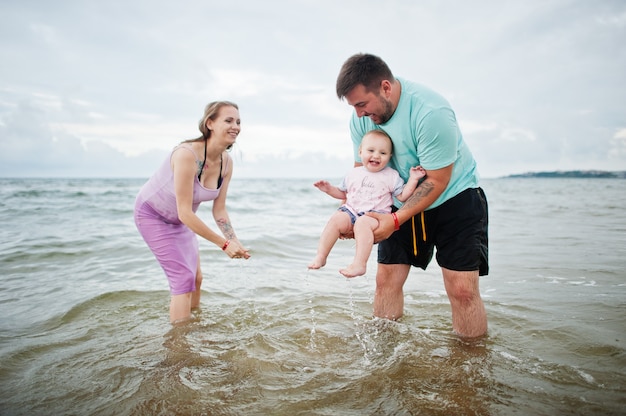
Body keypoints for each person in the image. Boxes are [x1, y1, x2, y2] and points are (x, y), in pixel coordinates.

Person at [335, 53, 489, 338]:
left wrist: (394, 221)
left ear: (385, 87)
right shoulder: (361, 120)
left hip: (455, 198)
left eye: (361, 104)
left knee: (462, 290)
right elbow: (363, 177)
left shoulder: (431, 112)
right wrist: (352, 215)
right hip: (396, 199)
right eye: (353, 106)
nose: (358, 114)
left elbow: (437, 180)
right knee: (386, 281)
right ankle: (385, 358)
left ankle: (471, 369)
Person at [134, 101, 250, 324]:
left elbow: (219, 209)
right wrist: (224, 245)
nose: (235, 126)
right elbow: (185, 212)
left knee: (196, 278)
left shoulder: (226, 163)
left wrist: (234, 241)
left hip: (180, 221)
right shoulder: (186, 155)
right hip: (152, 215)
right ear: (210, 124)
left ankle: (193, 327)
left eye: (238, 121)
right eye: (228, 120)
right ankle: (179, 348)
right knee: (183, 278)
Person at [308, 129, 426, 277]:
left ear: (389, 157)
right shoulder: (353, 173)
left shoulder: (391, 176)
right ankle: (321, 256)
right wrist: (329, 189)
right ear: (360, 152)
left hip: (374, 216)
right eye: (371, 150)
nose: (376, 155)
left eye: (383, 153)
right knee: (336, 219)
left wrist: (414, 179)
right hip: (351, 211)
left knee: (363, 223)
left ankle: (359, 264)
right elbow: (343, 193)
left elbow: (402, 196)